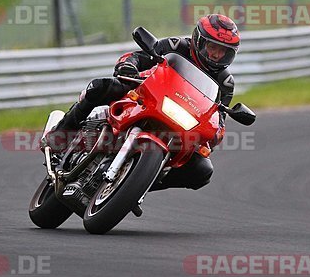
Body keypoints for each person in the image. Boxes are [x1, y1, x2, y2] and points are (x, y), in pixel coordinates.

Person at [53, 14, 240, 191]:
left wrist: (217, 132)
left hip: (183, 120)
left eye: (223, 51)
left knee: (202, 170)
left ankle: (137, 183)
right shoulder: (177, 46)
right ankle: (61, 136)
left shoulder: (225, 83)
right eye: (212, 47)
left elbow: (218, 115)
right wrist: (128, 66)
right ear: (199, 41)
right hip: (148, 93)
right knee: (100, 87)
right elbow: (139, 56)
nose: (216, 55)